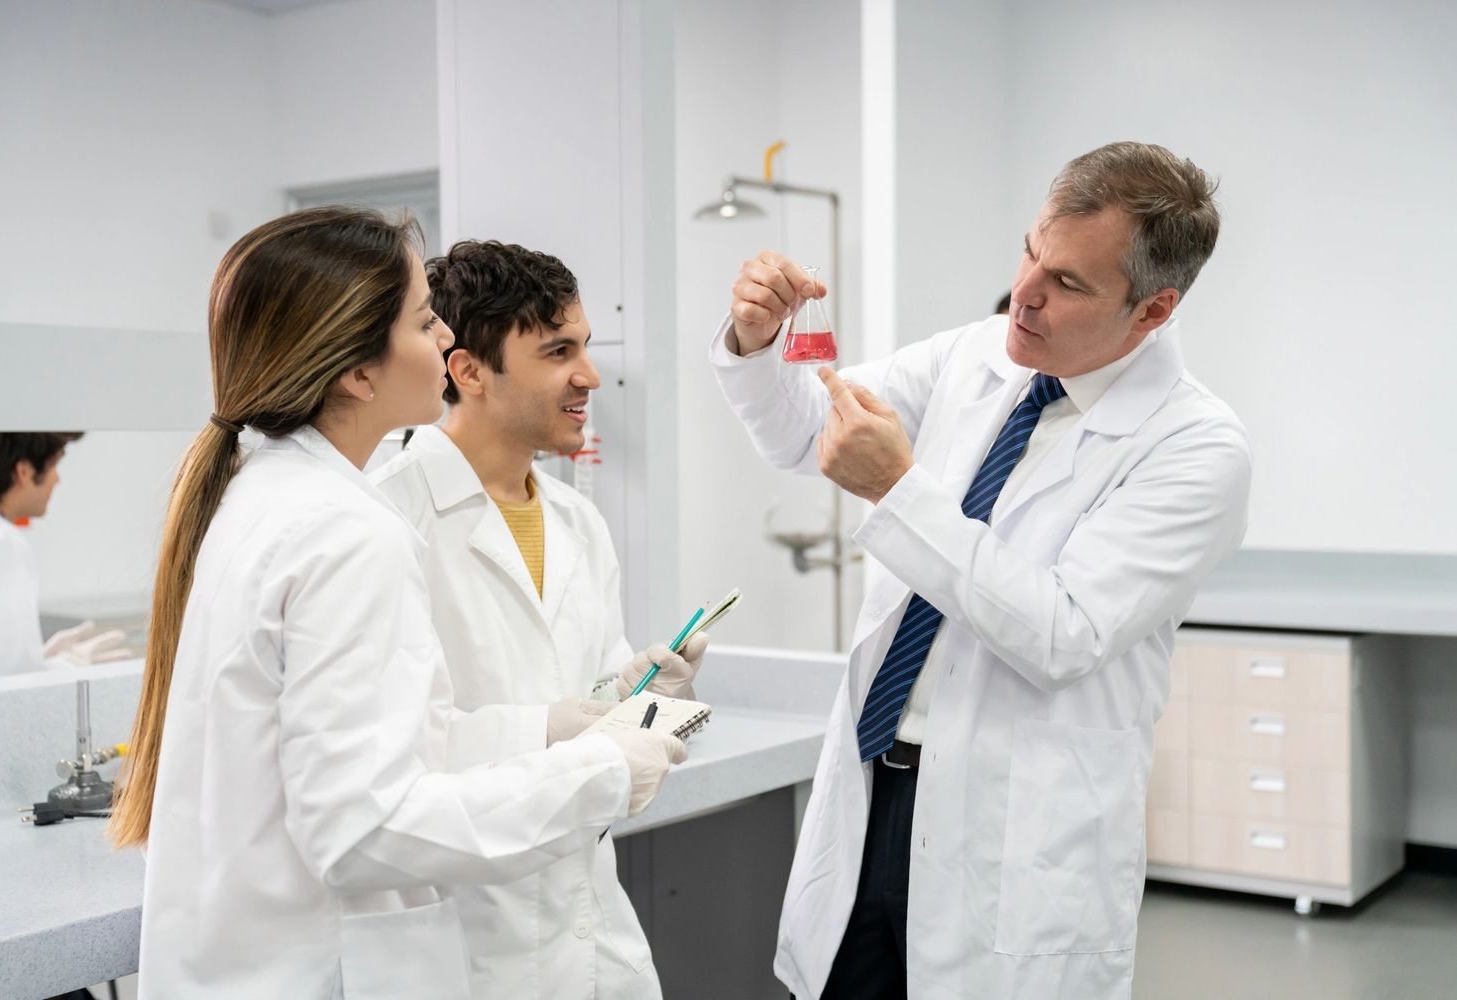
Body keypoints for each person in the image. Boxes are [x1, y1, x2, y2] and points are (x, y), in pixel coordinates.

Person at [711, 141, 1251, 999]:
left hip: (1012, 830)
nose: (1026, 294)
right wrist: (757, 340)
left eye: (1068, 283)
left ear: (1152, 310)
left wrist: (897, 488)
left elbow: (1061, 632)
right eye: (1030, 251)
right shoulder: (977, 355)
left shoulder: (1194, 447)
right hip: (873, 785)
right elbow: (802, 430)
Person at [110, 208, 687, 999]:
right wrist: (599, 772)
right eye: (424, 322)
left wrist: (551, 726)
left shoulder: (273, 495)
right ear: (358, 371)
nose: (446, 342)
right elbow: (361, 828)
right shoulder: (349, 530)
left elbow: (359, 750)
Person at [373, 240, 704, 1000]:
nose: (589, 375)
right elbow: (391, 767)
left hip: (592, 936)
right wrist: (549, 729)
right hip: (465, 944)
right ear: (468, 371)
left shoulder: (577, 521)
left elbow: (606, 727)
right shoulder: (388, 518)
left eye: (585, 347)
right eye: (558, 352)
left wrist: (662, 701)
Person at [0, 432, 128, 681]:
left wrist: (37, 661)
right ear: (24, 472)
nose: (57, 480)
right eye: (54, 465)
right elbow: (1, 692)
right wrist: (67, 667)